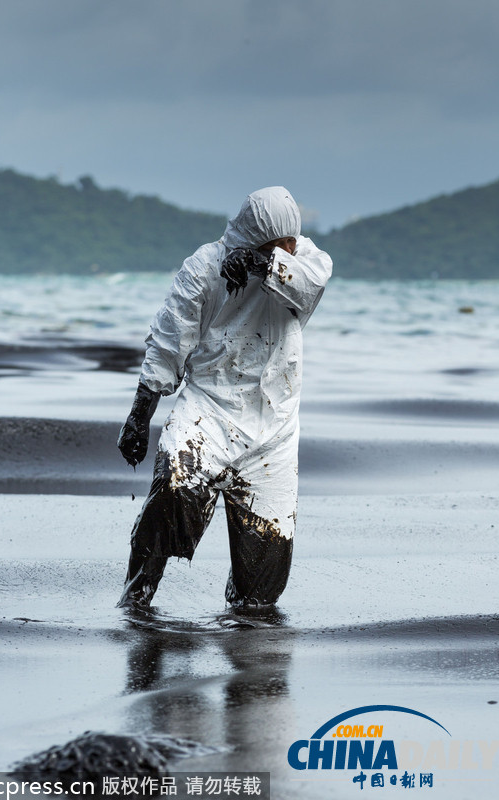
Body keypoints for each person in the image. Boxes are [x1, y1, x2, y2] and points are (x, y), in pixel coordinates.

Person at [117, 186, 332, 609]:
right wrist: (139, 416)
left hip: (274, 429)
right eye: (275, 245)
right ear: (249, 235)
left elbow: (309, 284)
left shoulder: (308, 262)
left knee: (264, 581)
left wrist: (260, 262)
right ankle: (137, 601)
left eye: (290, 243)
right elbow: (167, 343)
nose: (287, 251)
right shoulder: (204, 267)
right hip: (207, 412)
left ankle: (245, 629)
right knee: (172, 494)